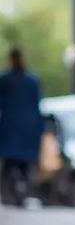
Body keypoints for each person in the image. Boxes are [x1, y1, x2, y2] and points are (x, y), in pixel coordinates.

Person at [0, 48, 44, 206]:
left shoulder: (5, 79)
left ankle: (14, 188)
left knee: (10, 162)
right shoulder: (32, 79)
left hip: (10, 126)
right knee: (24, 163)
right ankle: (21, 188)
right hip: (29, 126)